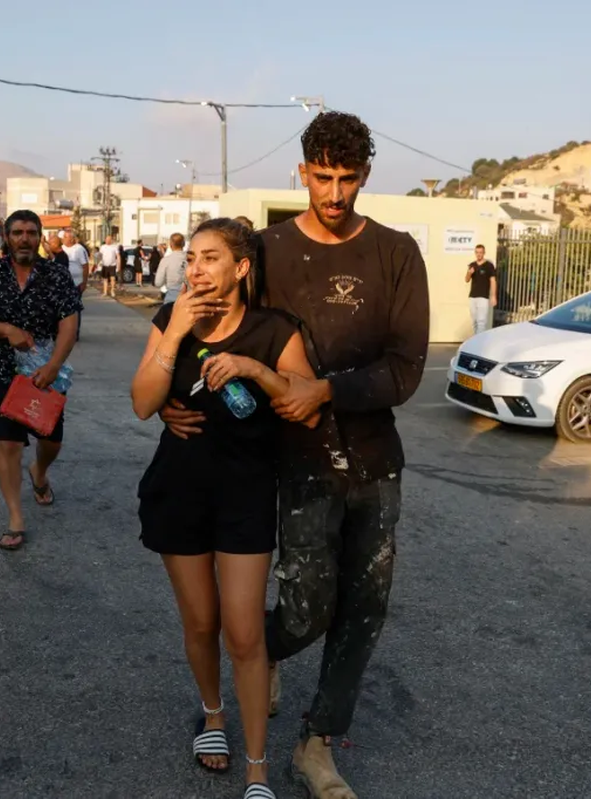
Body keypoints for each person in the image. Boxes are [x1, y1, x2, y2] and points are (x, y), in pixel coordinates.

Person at [160, 111, 430, 798]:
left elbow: (405, 368)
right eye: (322, 177)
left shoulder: (397, 252)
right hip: (296, 461)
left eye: (348, 178)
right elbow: (211, 316)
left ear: (365, 174)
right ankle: (260, 653)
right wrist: (169, 386)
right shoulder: (270, 250)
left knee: (365, 605)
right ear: (303, 170)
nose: (335, 193)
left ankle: (316, 744)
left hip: (375, 460)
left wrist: (324, 390)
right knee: (307, 605)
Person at [131, 218, 320, 799]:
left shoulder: (274, 330)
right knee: (200, 622)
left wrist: (254, 370)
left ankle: (258, 767)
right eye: (191, 258)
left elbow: (306, 407)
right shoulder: (172, 319)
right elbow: (142, 402)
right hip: (179, 489)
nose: (195, 269)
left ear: (241, 268)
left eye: (210, 258)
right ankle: (213, 716)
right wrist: (173, 335)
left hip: (245, 495)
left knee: (243, 633)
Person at [0, 210, 83, 551]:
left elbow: (69, 326)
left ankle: (40, 473)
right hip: (1, 372)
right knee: (8, 443)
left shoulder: (57, 276)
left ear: (40, 236)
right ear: (8, 236)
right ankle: (16, 518)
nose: (24, 238)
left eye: (31, 232)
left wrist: (54, 366)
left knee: (52, 441)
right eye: (17, 232)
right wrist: (6, 330)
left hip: (46, 374)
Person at [465, 243, 497, 334]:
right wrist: (469, 273)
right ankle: (476, 340)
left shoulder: (489, 266)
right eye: (477, 252)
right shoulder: (472, 265)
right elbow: (466, 280)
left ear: (484, 253)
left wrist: (493, 296)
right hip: (472, 297)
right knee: (474, 322)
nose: (479, 254)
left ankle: (479, 343)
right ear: (475, 253)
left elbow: (493, 281)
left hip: (483, 297)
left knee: (481, 322)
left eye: (481, 252)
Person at [154, 232, 188, 304]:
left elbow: (158, 282)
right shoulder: (191, 259)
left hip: (171, 299)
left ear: (170, 244)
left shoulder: (166, 260)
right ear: (184, 244)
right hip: (188, 298)